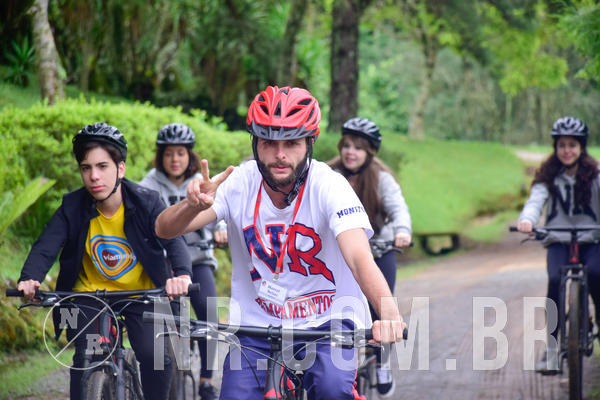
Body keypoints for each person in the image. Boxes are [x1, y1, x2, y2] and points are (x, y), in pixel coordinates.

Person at [155, 85, 407, 400]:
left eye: (291, 143)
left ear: (310, 143)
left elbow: (358, 257)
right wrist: (192, 205)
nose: (279, 155)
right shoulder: (239, 182)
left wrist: (388, 312)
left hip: (328, 321)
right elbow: (164, 229)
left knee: (332, 389)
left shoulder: (330, 185)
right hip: (257, 326)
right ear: (255, 142)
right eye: (268, 143)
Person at [16, 122, 193, 400]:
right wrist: (30, 277)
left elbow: (174, 239)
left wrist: (182, 275)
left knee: (157, 358)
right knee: (86, 357)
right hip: (90, 296)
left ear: (120, 169)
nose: (93, 176)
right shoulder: (72, 206)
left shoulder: (147, 202)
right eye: (86, 168)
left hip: (143, 295)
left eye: (102, 166)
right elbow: (46, 246)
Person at [140, 123, 226, 400]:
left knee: (208, 313)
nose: (174, 159)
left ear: (190, 155)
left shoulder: (201, 181)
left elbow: (218, 210)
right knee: (161, 317)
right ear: (160, 156)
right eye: (168, 153)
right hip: (164, 264)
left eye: (180, 153)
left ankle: (206, 380)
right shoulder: (148, 184)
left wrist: (220, 230)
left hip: (198, 259)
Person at [328, 117, 411, 396]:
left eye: (358, 148)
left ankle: (382, 363)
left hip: (379, 250)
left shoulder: (381, 178)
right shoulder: (329, 175)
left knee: (381, 309)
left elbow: (399, 210)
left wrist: (402, 231)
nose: (350, 152)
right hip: (340, 253)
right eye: (346, 146)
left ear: (370, 152)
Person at [517, 116, 600, 373]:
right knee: (554, 281)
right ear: (555, 147)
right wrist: (527, 220)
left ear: (581, 147)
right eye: (562, 145)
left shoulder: (596, 174)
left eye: (572, 145)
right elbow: (535, 201)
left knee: (596, 274)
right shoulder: (548, 176)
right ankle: (552, 348)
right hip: (559, 240)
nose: (567, 151)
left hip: (592, 239)